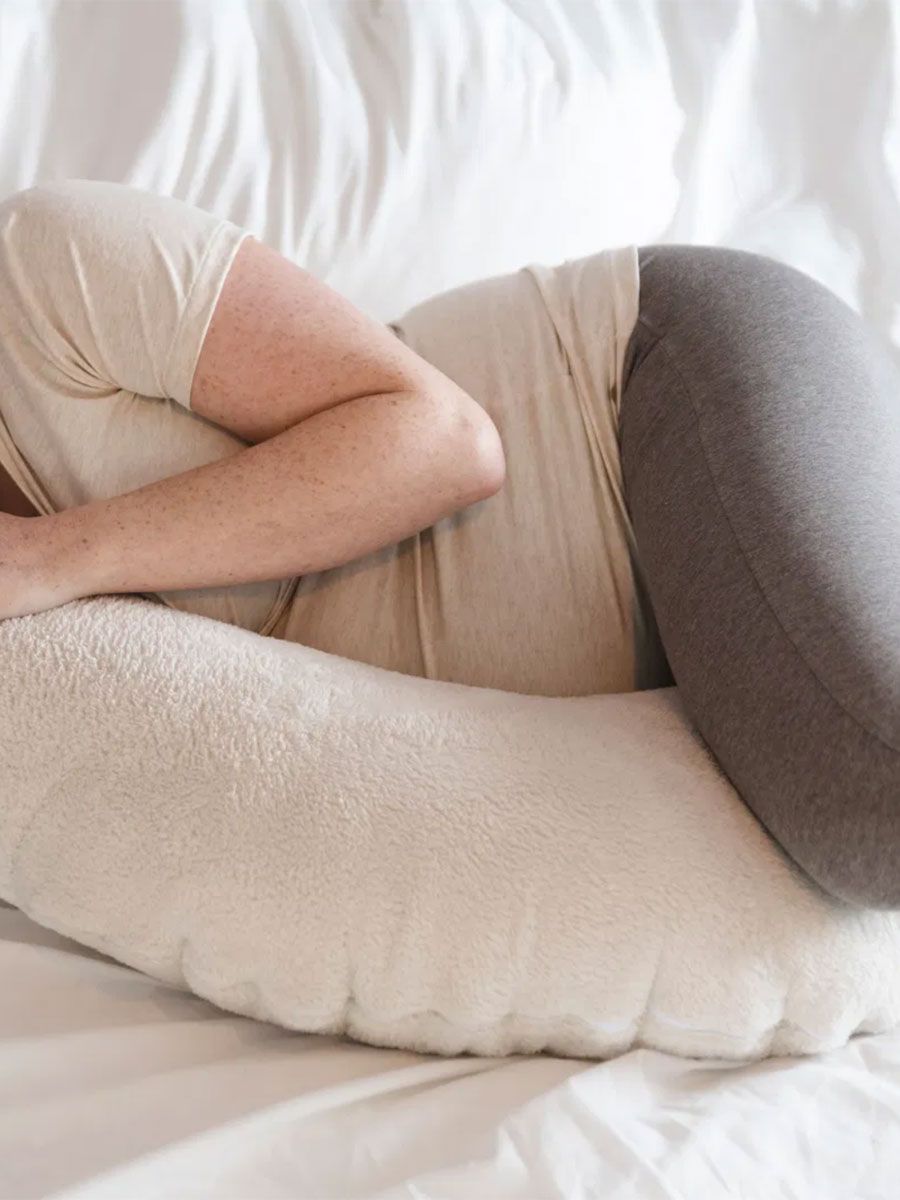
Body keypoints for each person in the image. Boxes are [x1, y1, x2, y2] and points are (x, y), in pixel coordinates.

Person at [0, 178, 897, 910]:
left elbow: (442, 441)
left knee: (863, 803)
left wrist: (56, 554)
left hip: (647, 395)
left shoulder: (41, 267)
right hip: (666, 629)